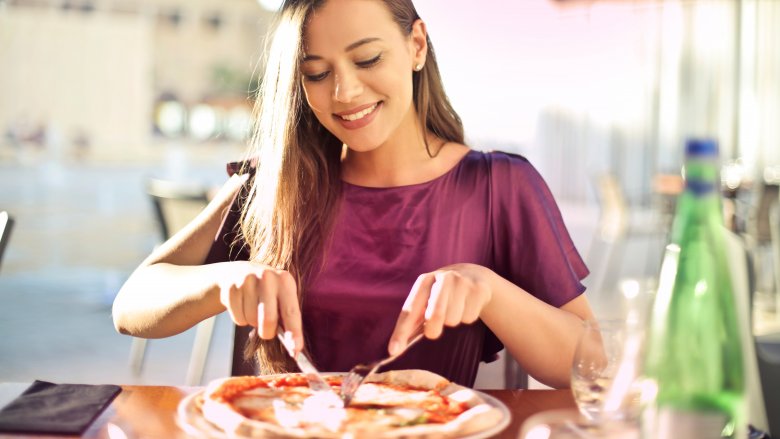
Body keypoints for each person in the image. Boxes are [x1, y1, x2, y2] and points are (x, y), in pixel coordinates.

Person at [112, 0, 594, 389]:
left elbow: (589, 362)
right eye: (316, 73)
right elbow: (131, 305)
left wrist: (488, 289)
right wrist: (225, 280)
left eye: (367, 60)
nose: (344, 92)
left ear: (417, 45)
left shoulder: (499, 186)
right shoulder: (271, 183)